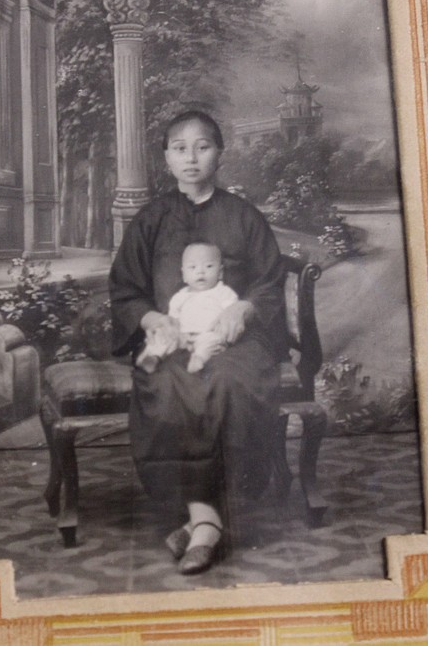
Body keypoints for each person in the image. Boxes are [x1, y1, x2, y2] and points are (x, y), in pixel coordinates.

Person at [109, 110, 289, 574]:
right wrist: (154, 320)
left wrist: (242, 308)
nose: (191, 157)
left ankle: (200, 523)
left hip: (237, 341)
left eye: (203, 146)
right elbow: (126, 289)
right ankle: (206, 519)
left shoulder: (244, 216)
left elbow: (268, 283)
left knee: (228, 381)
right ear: (166, 157)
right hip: (173, 338)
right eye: (180, 147)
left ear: (220, 153)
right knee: (167, 385)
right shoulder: (150, 219)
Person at [135, 241, 238, 375]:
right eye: (193, 267)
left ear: (220, 273)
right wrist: (170, 331)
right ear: (184, 275)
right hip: (183, 335)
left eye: (209, 266)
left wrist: (224, 328)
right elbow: (173, 320)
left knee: (212, 341)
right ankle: (153, 356)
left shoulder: (223, 292)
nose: (200, 271)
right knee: (162, 334)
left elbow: (231, 314)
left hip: (207, 333)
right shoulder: (180, 297)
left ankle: (198, 359)